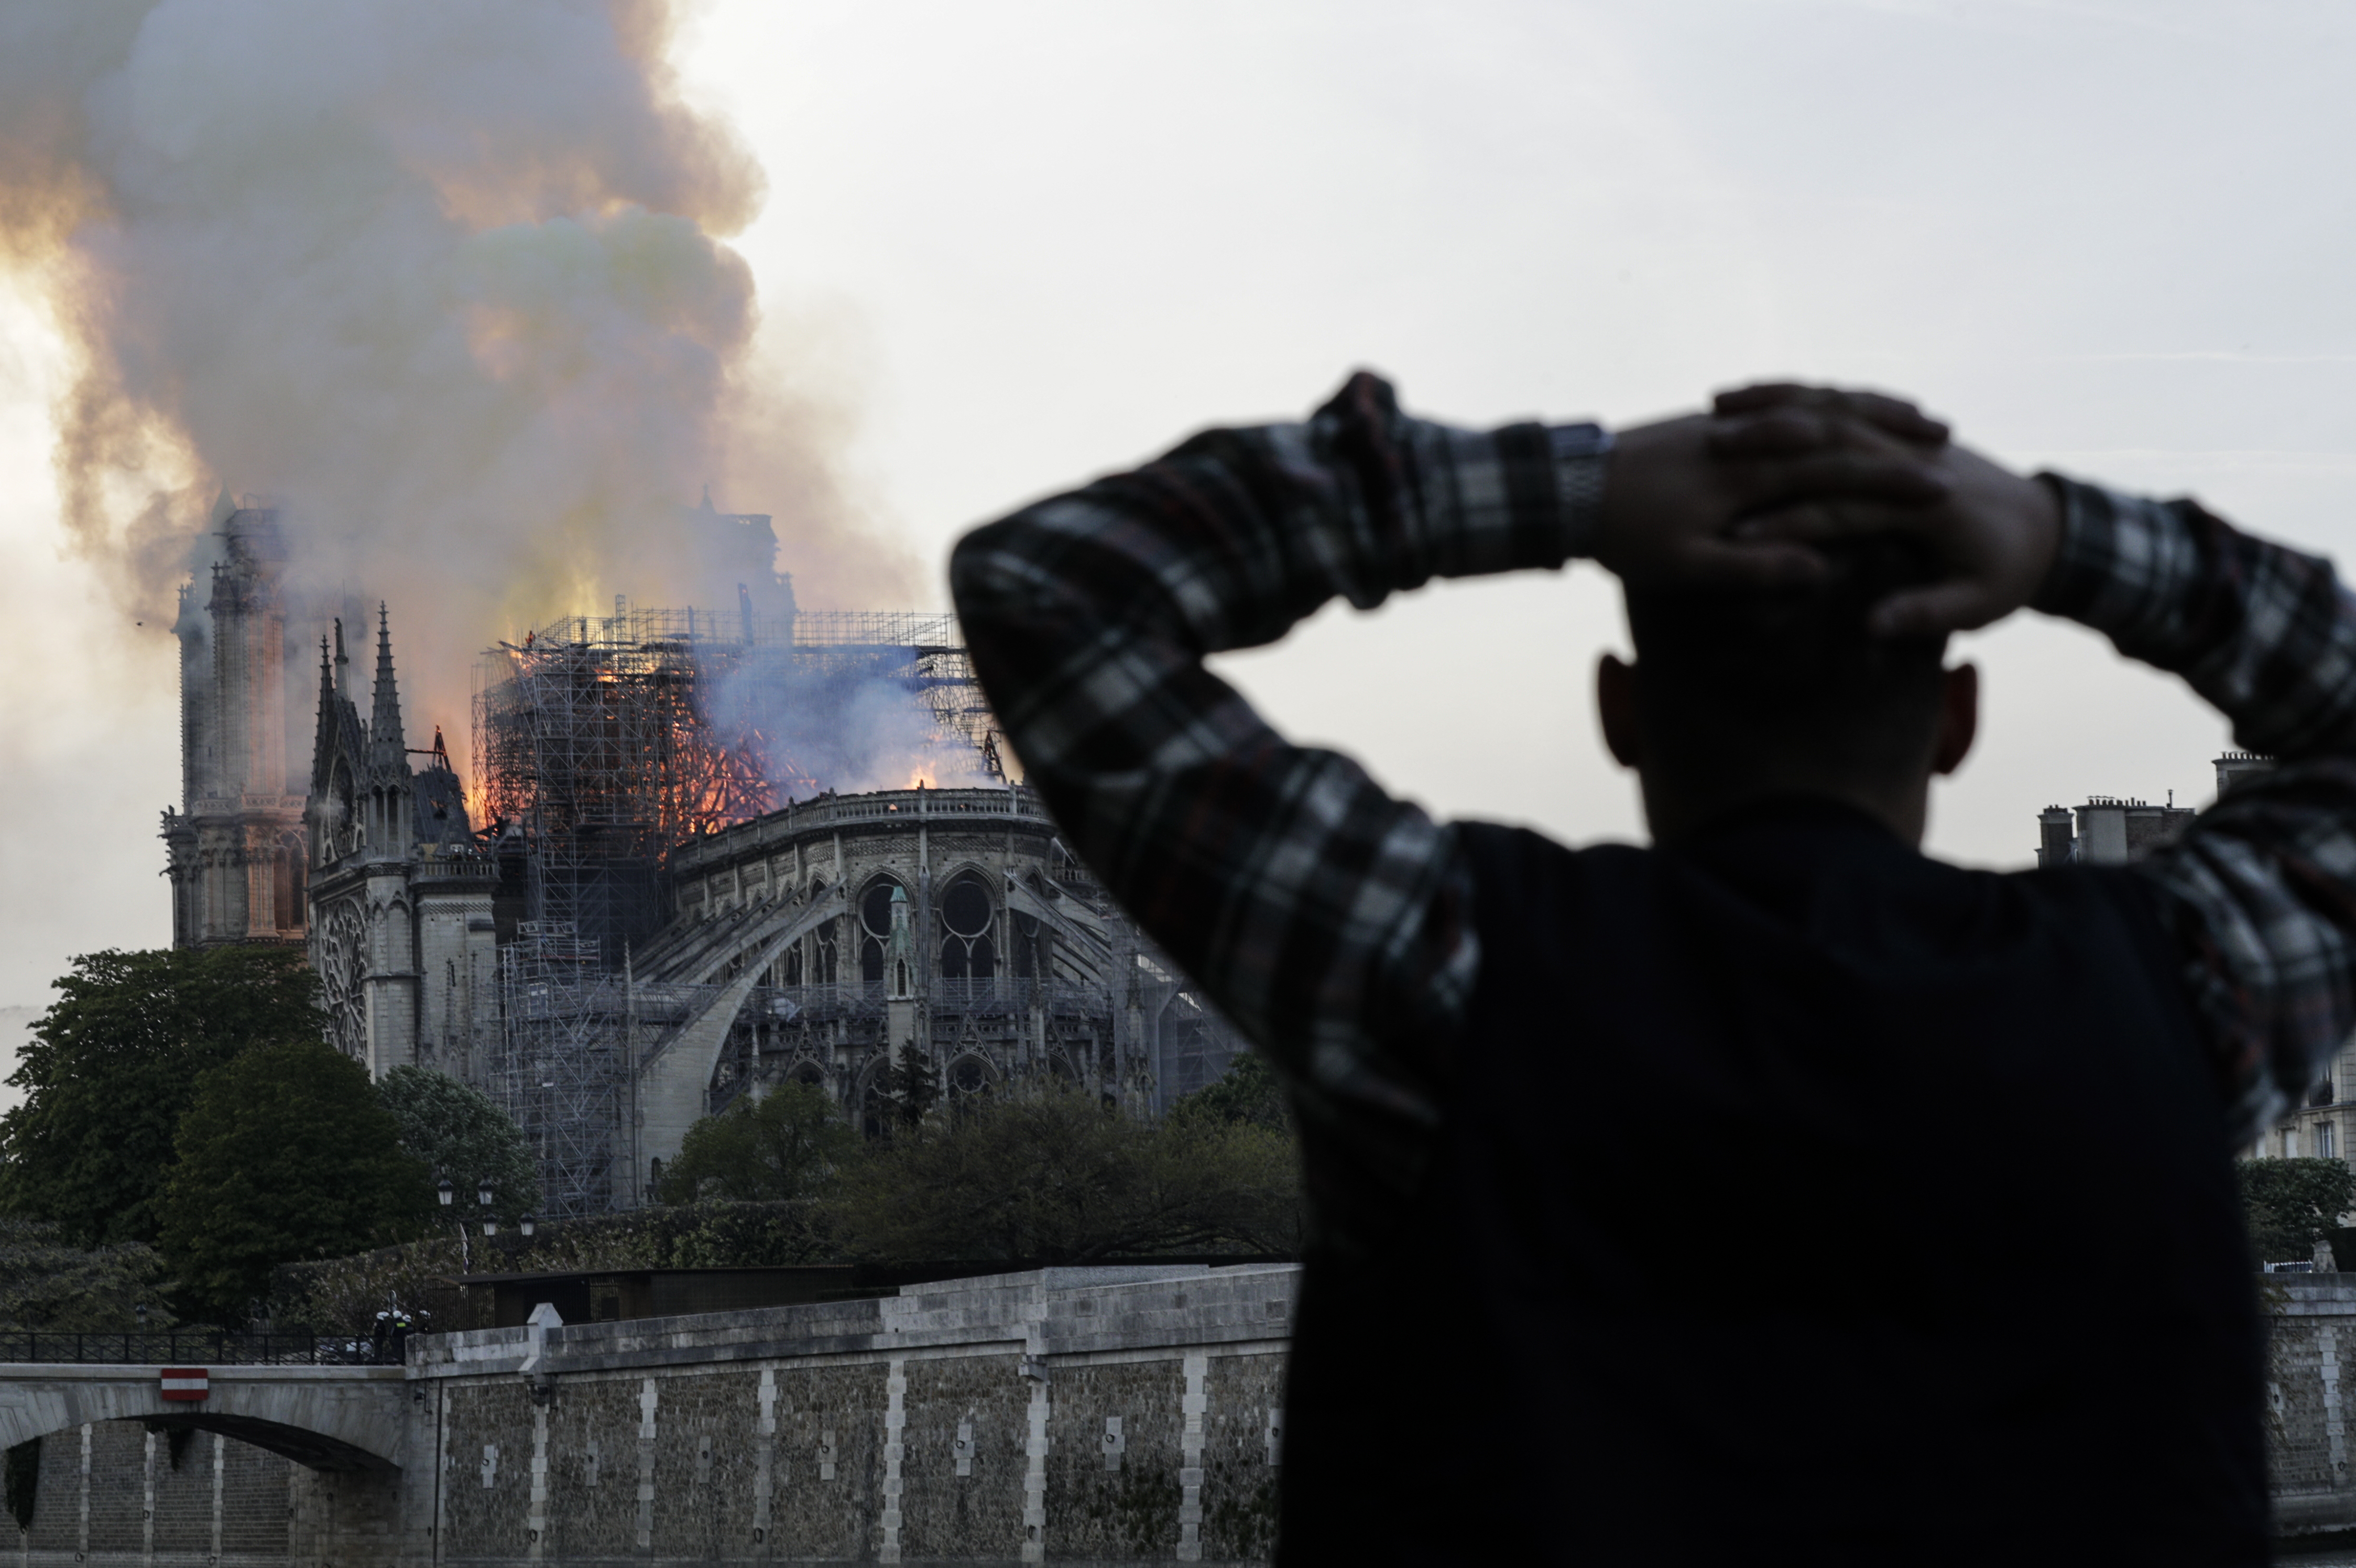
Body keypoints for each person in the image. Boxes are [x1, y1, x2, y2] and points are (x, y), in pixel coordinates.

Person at [950, 374, 2356, 1564]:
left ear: (1619, 711)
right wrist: (2061, 538)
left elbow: (1052, 584)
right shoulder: (2180, 997)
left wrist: (1576, 490)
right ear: (1958, 721)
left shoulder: (1438, 970)